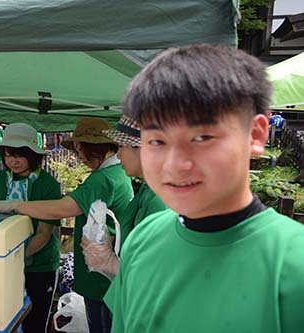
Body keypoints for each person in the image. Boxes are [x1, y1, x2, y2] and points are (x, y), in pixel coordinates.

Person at [103, 44, 304, 332]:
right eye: (157, 141)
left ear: (255, 134)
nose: (174, 165)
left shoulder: (295, 265)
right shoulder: (141, 240)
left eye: (201, 137)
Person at [0, 118, 133, 333]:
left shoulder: (103, 178)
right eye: (8, 154)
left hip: (99, 279)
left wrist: (14, 206)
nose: (79, 156)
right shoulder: (111, 174)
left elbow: (61, 209)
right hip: (103, 274)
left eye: (80, 150)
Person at [0, 123, 61, 332]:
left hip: (39, 266)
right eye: (8, 155)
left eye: (20, 155)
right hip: (0, 263)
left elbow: (44, 233)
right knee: (1, 318)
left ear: (33, 155)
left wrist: (15, 256)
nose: (13, 161)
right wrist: (2, 259)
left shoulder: (48, 185)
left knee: (35, 320)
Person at [81, 114, 167, 279]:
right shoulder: (147, 190)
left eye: (121, 146)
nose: (118, 155)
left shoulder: (161, 199)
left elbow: (152, 270)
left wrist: (109, 262)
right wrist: (111, 243)